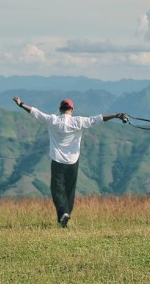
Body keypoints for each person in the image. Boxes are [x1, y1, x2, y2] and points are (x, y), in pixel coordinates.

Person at [12, 96, 125, 227]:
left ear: (60, 109)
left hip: (57, 161)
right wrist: (116, 115)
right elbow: (98, 119)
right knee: (70, 190)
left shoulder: (52, 120)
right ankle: (65, 215)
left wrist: (21, 104)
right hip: (73, 161)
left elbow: (35, 112)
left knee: (57, 189)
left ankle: (63, 214)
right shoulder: (79, 121)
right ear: (71, 109)